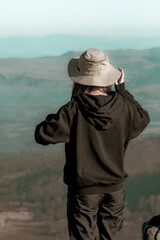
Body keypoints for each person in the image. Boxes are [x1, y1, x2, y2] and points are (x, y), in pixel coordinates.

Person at [35, 48, 150, 240]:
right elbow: (142, 118)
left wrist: (57, 116)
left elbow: (42, 134)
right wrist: (122, 90)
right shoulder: (122, 106)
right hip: (115, 190)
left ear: (80, 77)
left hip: (84, 193)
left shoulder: (73, 109)